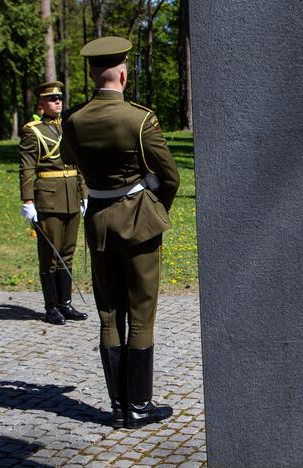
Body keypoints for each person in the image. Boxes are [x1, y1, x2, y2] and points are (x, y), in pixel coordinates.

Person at [61, 36, 180, 429]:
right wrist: (155, 209)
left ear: (94, 74)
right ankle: (139, 407)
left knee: (109, 315)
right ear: (124, 75)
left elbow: (68, 160)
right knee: (141, 315)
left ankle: (117, 407)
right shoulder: (140, 119)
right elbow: (170, 177)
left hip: (98, 223)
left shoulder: (74, 119)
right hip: (138, 224)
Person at [19, 81, 88, 325]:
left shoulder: (67, 128)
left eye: (60, 97)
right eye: (52, 99)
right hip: (48, 199)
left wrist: (84, 194)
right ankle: (51, 307)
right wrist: (28, 200)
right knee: (50, 254)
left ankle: (65, 303)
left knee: (67, 254)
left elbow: (77, 163)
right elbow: (27, 168)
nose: (58, 101)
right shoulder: (33, 131)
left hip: (71, 197)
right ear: (41, 104)